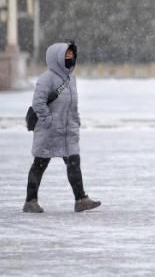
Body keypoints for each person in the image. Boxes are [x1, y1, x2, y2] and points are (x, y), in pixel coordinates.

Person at [23, 41, 101, 213]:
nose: (70, 58)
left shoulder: (71, 78)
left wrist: (76, 120)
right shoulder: (46, 79)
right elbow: (38, 103)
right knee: (40, 164)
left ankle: (81, 199)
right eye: (66, 55)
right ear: (56, 58)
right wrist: (48, 121)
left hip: (68, 131)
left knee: (74, 163)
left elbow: (73, 104)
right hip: (48, 131)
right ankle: (30, 201)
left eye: (72, 55)